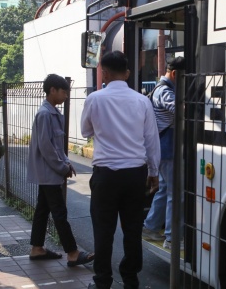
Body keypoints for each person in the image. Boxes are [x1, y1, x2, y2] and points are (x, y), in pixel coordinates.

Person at [81, 51, 160, 289]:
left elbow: (85, 132)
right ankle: (130, 279)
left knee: (103, 231)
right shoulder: (142, 101)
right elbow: (151, 140)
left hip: (105, 175)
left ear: (103, 72)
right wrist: (153, 172)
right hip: (135, 175)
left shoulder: (94, 99)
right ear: (126, 73)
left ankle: (102, 281)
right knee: (133, 230)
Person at [27, 74, 94, 267]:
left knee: (43, 210)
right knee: (59, 213)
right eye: (64, 91)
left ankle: (37, 248)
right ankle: (72, 253)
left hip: (49, 173)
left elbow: (56, 145)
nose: (66, 95)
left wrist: (65, 162)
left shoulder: (52, 113)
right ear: (52, 91)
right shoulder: (45, 114)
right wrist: (62, 167)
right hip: (49, 174)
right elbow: (46, 147)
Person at [142, 56, 185, 250]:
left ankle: (150, 226)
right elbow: (180, 109)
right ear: (175, 74)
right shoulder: (165, 91)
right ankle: (172, 237)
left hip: (163, 148)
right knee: (176, 194)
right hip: (168, 148)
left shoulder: (161, 89)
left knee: (165, 190)